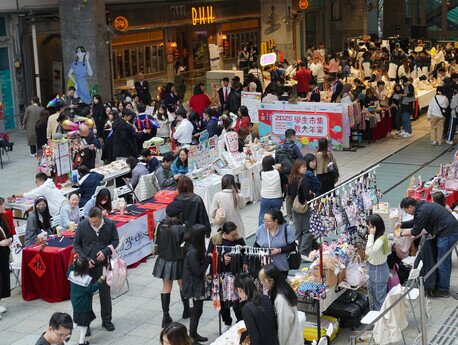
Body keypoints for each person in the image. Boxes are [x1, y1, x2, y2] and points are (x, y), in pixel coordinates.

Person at [395, 197, 458, 297]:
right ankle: (442, 285)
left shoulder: (422, 211)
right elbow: (416, 222)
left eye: (406, 211)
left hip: (447, 233)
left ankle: (443, 290)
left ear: (410, 207)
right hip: (447, 231)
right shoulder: (422, 207)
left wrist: (401, 234)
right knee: (443, 260)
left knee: (442, 262)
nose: (407, 213)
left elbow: (416, 231)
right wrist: (401, 224)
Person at [74, 207, 119, 331]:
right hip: (86, 267)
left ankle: (107, 320)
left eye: (95, 222)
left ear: (101, 218)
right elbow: (76, 245)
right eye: (91, 221)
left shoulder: (109, 224)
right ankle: (86, 324)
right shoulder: (83, 225)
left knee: (105, 294)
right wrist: (86, 259)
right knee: (86, 296)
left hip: (103, 265)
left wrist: (105, 252)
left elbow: (115, 241)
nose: (92, 224)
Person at [153, 202, 190, 327]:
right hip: (178, 260)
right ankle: (186, 309)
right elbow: (186, 246)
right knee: (182, 284)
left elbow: (157, 242)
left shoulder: (160, 225)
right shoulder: (181, 228)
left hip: (164, 260)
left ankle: (166, 316)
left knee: (166, 288)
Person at [207, 222, 246, 332]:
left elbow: (245, 254)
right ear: (225, 233)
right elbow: (209, 257)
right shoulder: (215, 240)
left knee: (237, 299)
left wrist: (244, 262)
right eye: (232, 235)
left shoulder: (238, 239)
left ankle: (241, 320)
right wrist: (221, 259)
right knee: (223, 300)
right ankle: (227, 321)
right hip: (220, 275)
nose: (235, 236)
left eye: (235, 234)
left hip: (235, 274)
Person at [258, 264, 303, 345]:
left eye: (263, 280)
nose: (262, 283)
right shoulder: (281, 289)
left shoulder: (281, 299)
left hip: (290, 341)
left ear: (271, 280)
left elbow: (284, 328)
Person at [182, 224, 212, 344]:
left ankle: (193, 334)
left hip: (196, 283)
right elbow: (198, 271)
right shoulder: (192, 252)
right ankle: (192, 337)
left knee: (198, 310)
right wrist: (208, 260)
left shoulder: (194, 247)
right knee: (197, 310)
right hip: (194, 284)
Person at [68, 256, 106, 345]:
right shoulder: (86, 280)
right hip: (84, 305)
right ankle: (80, 341)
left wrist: (74, 263)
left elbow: (69, 268)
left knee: (77, 320)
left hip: (75, 303)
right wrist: (101, 280)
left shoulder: (71, 274)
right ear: (86, 268)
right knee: (84, 324)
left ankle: (69, 330)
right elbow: (92, 289)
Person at [234, 274, 279, 345]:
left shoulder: (247, 309)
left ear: (239, 289)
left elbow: (255, 339)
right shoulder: (265, 297)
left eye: (236, 292)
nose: (238, 295)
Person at [255, 210, 296, 276]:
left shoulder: (286, 229)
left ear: (275, 221)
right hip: (266, 267)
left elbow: (293, 246)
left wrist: (279, 250)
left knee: (281, 284)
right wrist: (260, 256)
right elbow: (256, 247)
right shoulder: (260, 230)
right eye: (264, 220)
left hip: (282, 266)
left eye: (268, 221)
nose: (265, 223)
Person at [365, 214, 390, 311]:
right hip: (378, 268)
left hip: (377, 270)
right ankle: (379, 318)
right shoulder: (383, 235)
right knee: (377, 295)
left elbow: (368, 251)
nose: (368, 228)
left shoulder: (379, 240)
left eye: (370, 226)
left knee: (379, 297)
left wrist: (371, 235)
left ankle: (381, 319)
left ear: (375, 227)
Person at [259, 155, 285, 225]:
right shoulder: (278, 172)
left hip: (265, 198)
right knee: (276, 216)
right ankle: (276, 230)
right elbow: (284, 181)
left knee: (263, 215)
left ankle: (262, 230)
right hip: (277, 197)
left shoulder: (261, 173)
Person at [0, 198, 13, 318]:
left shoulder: (3, 217)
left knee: (4, 277)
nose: (4, 206)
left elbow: (9, 232)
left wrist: (9, 239)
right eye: (2, 204)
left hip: (3, 253)